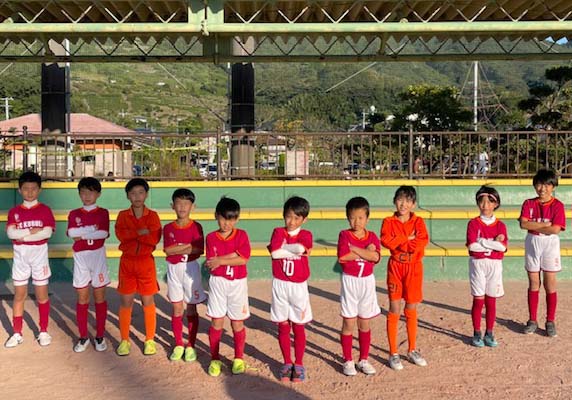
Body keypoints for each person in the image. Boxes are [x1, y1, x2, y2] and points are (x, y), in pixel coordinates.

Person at [380, 185, 429, 371]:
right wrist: (406, 239)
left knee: (411, 307)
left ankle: (412, 349)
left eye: (408, 200)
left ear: (413, 204)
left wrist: (403, 241)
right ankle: (393, 352)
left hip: (414, 267)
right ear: (395, 201)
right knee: (394, 307)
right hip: (395, 266)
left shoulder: (418, 222)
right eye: (400, 199)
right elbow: (386, 240)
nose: (403, 204)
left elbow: (421, 241)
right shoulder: (388, 222)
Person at [5, 171, 55, 348]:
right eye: (26, 189)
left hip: (39, 255)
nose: (30, 192)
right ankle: (17, 333)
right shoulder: (14, 212)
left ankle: (43, 331)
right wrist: (32, 232)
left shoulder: (45, 210)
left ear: (39, 190)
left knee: (41, 295)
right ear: (19, 190)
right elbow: (11, 233)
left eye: (34, 189)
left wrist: (22, 236)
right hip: (20, 256)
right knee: (19, 295)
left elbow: (47, 233)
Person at [115, 178, 162, 356]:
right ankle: (125, 340)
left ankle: (149, 339)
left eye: (141, 193)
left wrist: (133, 235)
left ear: (146, 194)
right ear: (128, 196)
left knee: (147, 301)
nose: (137, 196)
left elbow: (154, 238)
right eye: (133, 193)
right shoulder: (122, 215)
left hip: (145, 262)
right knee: (126, 302)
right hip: (127, 262)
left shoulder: (153, 216)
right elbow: (121, 235)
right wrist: (140, 233)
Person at [268, 196, 313, 382]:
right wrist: (292, 249)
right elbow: (275, 253)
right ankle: (287, 362)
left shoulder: (306, 234)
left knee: (299, 325)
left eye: (296, 218)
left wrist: (287, 249)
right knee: (283, 325)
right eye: (288, 217)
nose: (291, 222)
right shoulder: (278, 231)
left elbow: (302, 248)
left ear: (304, 220)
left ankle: (299, 363)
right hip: (280, 285)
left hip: (298, 287)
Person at [205, 197, 251, 377]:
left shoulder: (242, 235)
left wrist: (222, 259)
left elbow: (243, 258)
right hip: (218, 283)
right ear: (216, 216)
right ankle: (214, 358)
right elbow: (211, 263)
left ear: (237, 219)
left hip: (237, 283)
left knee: (237, 322)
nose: (227, 223)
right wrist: (233, 255)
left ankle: (238, 358)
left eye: (231, 219)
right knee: (217, 321)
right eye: (223, 218)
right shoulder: (210, 237)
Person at [519, 168, 566, 337]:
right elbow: (523, 225)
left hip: (549, 245)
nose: (543, 188)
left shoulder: (558, 205)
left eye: (547, 184)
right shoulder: (528, 203)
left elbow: (555, 229)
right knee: (533, 282)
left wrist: (535, 225)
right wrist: (544, 226)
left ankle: (550, 320)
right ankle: (532, 320)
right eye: (539, 184)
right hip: (532, 243)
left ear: (553, 186)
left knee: (550, 283)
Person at [338, 197, 381, 376]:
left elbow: (376, 257)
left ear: (367, 218)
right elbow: (343, 257)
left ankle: (363, 359)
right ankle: (348, 360)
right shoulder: (344, 235)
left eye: (361, 218)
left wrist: (354, 249)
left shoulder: (372, 236)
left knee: (364, 322)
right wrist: (364, 251)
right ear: (348, 218)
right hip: (350, 281)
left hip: (367, 282)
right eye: (353, 218)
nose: (356, 222)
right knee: (349, 321)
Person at [67, 177, 111, 353]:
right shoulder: (74, 213)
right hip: (80, 257)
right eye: (83, 192)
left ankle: (100, 335)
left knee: (99, 297)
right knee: (82, 298)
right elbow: (71, 232)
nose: (86, 196)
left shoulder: (103, 212)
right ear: (79, 194)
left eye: (90, 192)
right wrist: (91, 231)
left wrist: (82, 234)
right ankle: (83, 336)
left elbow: (103, 233)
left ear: (98, 194)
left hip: (97, 256)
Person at [163, 188, 206, 362]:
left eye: (186, 203)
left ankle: (191, 345)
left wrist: (179, 248)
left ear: (193, 206)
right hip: (173, 270)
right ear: (172, 206)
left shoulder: (196, 227)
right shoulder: (168, 228)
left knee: (191, 307)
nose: (182, 207)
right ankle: (179, 343)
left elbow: (198, 249)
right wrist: (186, 247)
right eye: (178, 203)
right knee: (176, 308)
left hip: (190, 269)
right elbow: (167, 250)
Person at [466, 186, 508, 348]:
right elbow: (472, 247)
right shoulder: (473, 223)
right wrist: (491, 243)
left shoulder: (500, 225)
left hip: (495, 266)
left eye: (489, 202)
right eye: (481, 201)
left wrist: (482, 242)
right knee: (478, 299)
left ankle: (489, 332)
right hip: (477, 265)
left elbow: (503, 248)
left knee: (491, 300)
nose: (485, 205)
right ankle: (477, 332)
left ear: (495, 204)